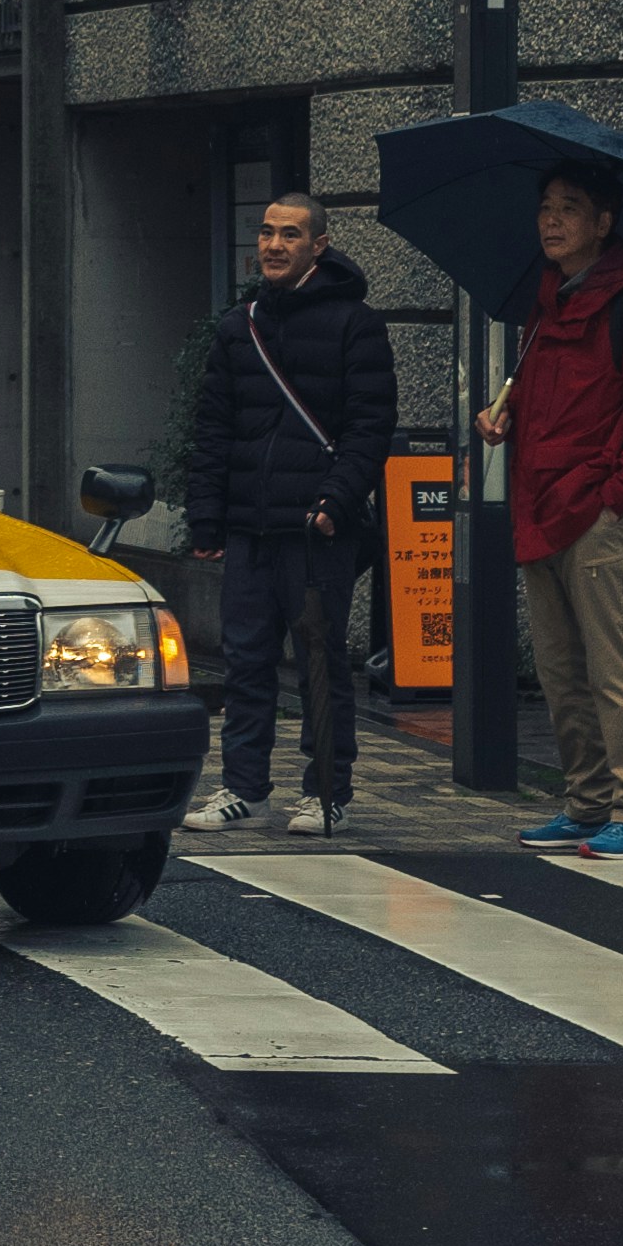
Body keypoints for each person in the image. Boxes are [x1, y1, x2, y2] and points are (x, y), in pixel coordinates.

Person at [481, 153, 623, 857]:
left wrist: (615, 497)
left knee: (613, 667)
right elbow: (551, 407)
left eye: (570, 207)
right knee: (560, 669)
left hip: (595, 516)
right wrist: (503, 419)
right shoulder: (547, 307)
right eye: (546, 205)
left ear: (604, 223)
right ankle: (586, 801)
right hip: (540, 511)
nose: (551, 219)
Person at [183, 192, 398, 832]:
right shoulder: (238, 324)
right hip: (249, 525)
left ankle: (327, 791)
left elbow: (370, 426)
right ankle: (243, 789)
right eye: (268, 233)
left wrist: (337, 497)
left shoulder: (355, 324)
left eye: (291, 235)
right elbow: (213, 428)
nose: (274, 246)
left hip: (315, 530)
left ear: (319, 246)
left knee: (320, 662)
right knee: (245, 660)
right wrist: (205, 516)